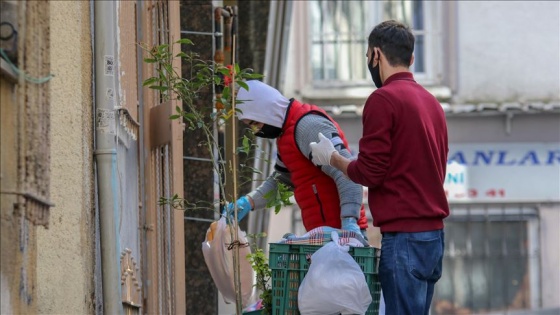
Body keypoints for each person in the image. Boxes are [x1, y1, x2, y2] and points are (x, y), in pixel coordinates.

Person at [309, 20, 449, 315]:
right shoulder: (432, 103)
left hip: (404, 239)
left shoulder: (383, 100)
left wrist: (332, 157)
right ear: (411, 59)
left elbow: (370, 172)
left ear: (375, 55)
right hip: (433, 238)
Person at [223, 79, 369, 237]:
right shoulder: (286, 134)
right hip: (327, 236)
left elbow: (347, 173)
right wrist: (248, 202)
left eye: (255, 123)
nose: (256, 130)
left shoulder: (308, 126)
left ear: (266, 111)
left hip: (342, 235)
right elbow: (283, 181)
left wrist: (349, 221)